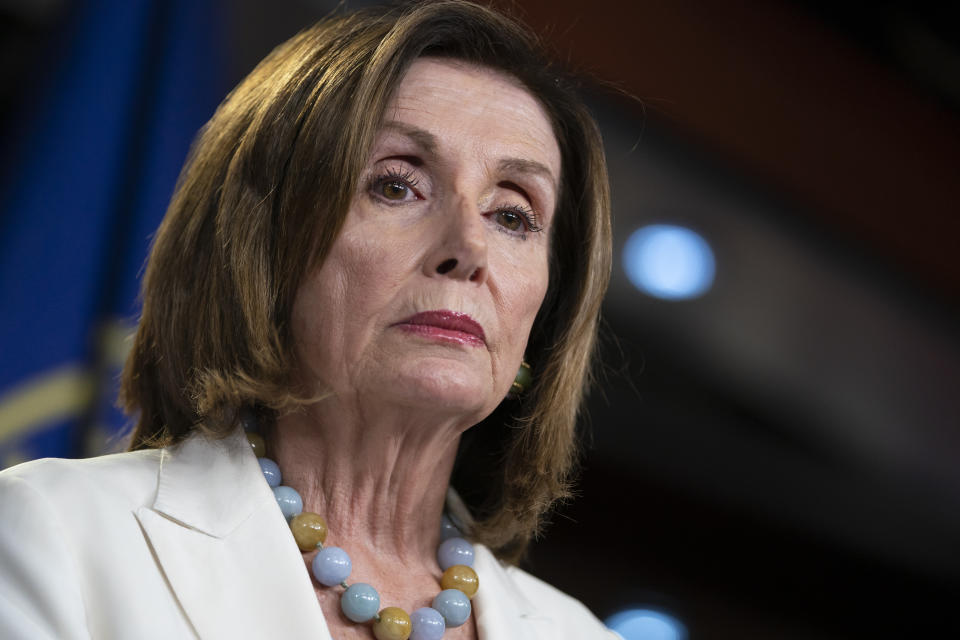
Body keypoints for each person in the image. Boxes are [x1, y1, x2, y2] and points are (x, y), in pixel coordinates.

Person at [0, 1, 615, 638]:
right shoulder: (55, 538)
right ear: (263, 244)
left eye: (512, 215)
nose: (468, 248)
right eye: (397, 185)